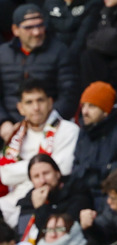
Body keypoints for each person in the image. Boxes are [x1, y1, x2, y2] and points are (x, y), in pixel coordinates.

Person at [0, 80, 80, 229]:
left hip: (50, 199)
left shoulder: (69, 130)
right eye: (29, 102)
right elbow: (4, 175)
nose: (36, 108)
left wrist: (18, 169)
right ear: (20, 108)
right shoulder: (16, 134)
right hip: (11, 200)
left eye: (40, 101)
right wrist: (41, 166)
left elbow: (62, 168)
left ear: (50, 102)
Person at [0, 4, 79, 125]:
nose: (36, 32)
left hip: (49, 125)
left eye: (40, 25)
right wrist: (3, 122)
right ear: (15, 30)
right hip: (10, 126)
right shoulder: (2, 54)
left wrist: (49, 122)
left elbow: (69, 94)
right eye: (29, 28)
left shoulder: (60, 51)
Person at [71, 81, 117, 204]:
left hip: (110, 200)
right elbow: (76, 166)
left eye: (92, 106)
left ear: (106, 111)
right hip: (82, 198)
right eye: (84, 106)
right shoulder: (84, 132)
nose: (85, 112)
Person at [16, 155, 93, 241]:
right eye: (36, 176)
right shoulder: (29, 200)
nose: (42, 180)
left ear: (57, 173)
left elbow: (61, 230)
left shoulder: (77, 189)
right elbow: (23, 235)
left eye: (46, 173)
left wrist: (40, 208)